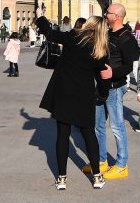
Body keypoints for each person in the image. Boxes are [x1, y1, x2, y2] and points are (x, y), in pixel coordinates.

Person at [35, 15, 110, 190]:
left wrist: (42, 19)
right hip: (84, 95)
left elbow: (50, 34)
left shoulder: (73, 37)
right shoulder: (100, 48)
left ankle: (61, 179)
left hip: (63, 92)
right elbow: (103, 77)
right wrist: (103, 95)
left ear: (88, 25)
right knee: (89, 135)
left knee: (62, 135)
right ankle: (97, 177)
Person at [88, 4, 139, 180]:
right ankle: (101, 160)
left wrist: (113, 73)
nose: (104, 14)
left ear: (117, 16)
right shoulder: (107, 33)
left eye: (108, 12)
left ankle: (121, 164)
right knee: (98, 124)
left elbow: (131, 65)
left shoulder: (128, 39)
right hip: (100, 86)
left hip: (114, 87)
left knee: (117, 126)